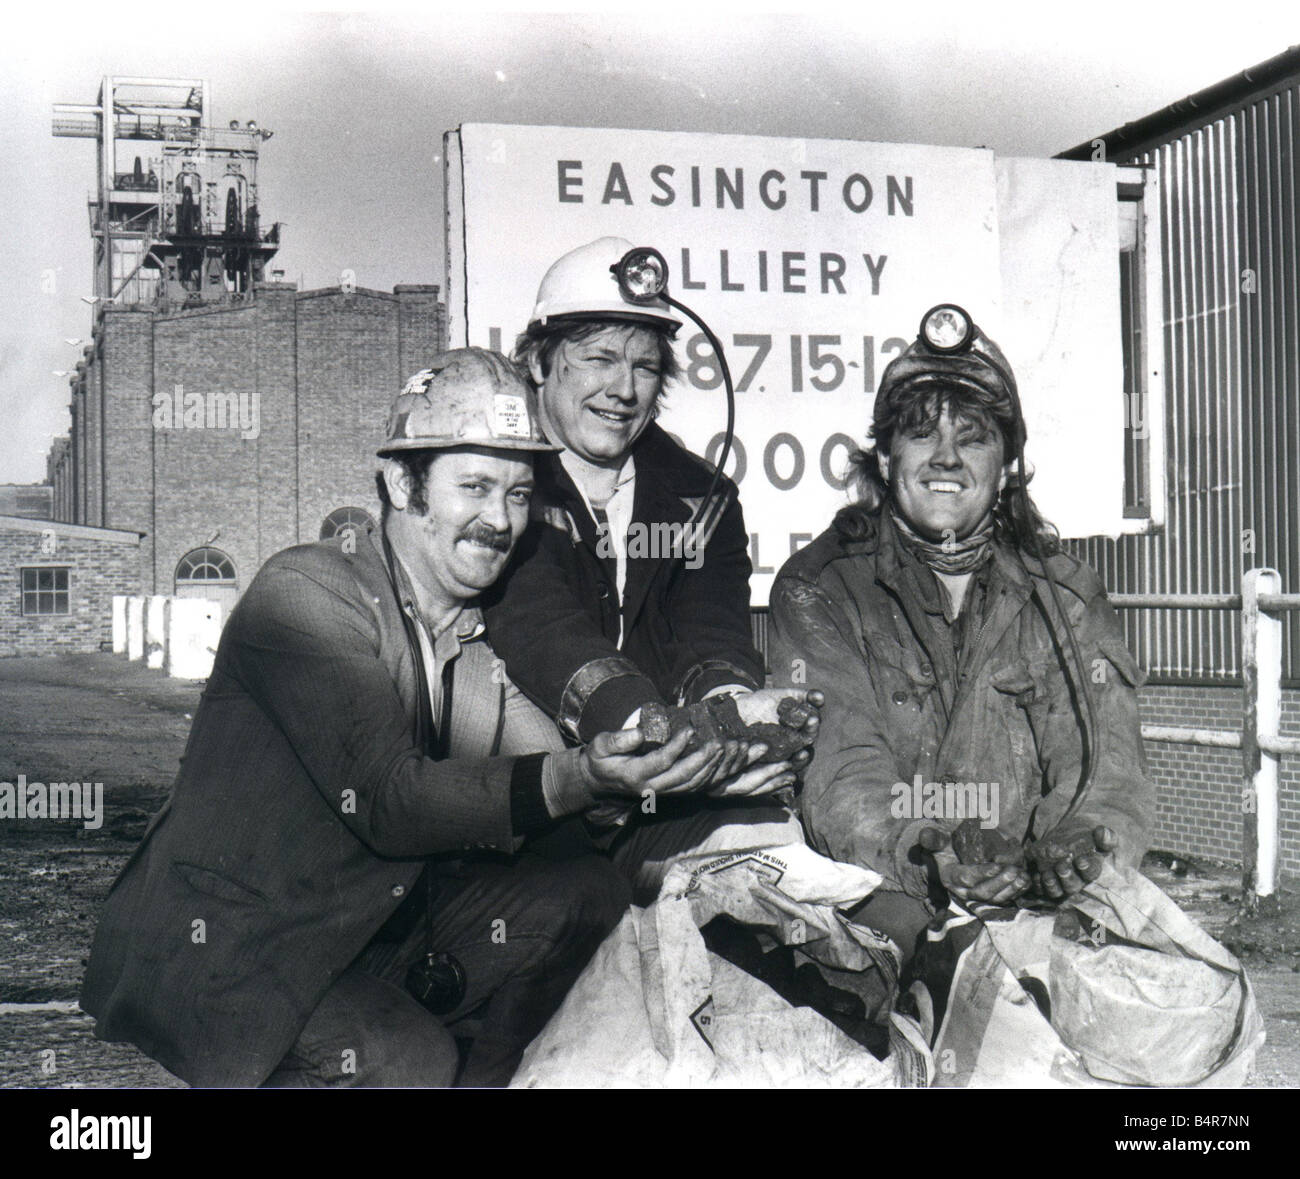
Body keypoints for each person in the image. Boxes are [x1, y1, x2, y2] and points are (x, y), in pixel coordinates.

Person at [80, 349, 749, 1088]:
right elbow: (390, 801)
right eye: (475, 486)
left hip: (360, 932)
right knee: (406, 1057)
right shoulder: (306, 594)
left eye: (520, 494)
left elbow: (551, 782)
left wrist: (661, 767)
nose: (499, 519)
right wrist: (579, 774)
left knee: (587, 894)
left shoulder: (472, 637)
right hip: (226, 946)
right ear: (403, 483)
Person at [768, 305, 1153, 962]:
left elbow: (1106, 765)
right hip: (879, 890)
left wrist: (1082, 843)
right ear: (886, 458)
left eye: (972, 437)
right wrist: (931, 853)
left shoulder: (1067, 595)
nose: (945, 456)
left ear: (1005, 464)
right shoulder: (821, 586)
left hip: (1032, 898)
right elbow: (843, 776)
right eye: (921, 435)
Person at [483, 237, 818, 899]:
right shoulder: (501, 481)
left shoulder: (701, 494)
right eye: (600, 358)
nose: (624, 389)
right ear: (541, 363)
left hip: (665, 804)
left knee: (781, 861)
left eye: (644, 365)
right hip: (533, 807)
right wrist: (649, 732)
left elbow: (711, 631)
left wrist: (732, 718)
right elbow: (539, 624)